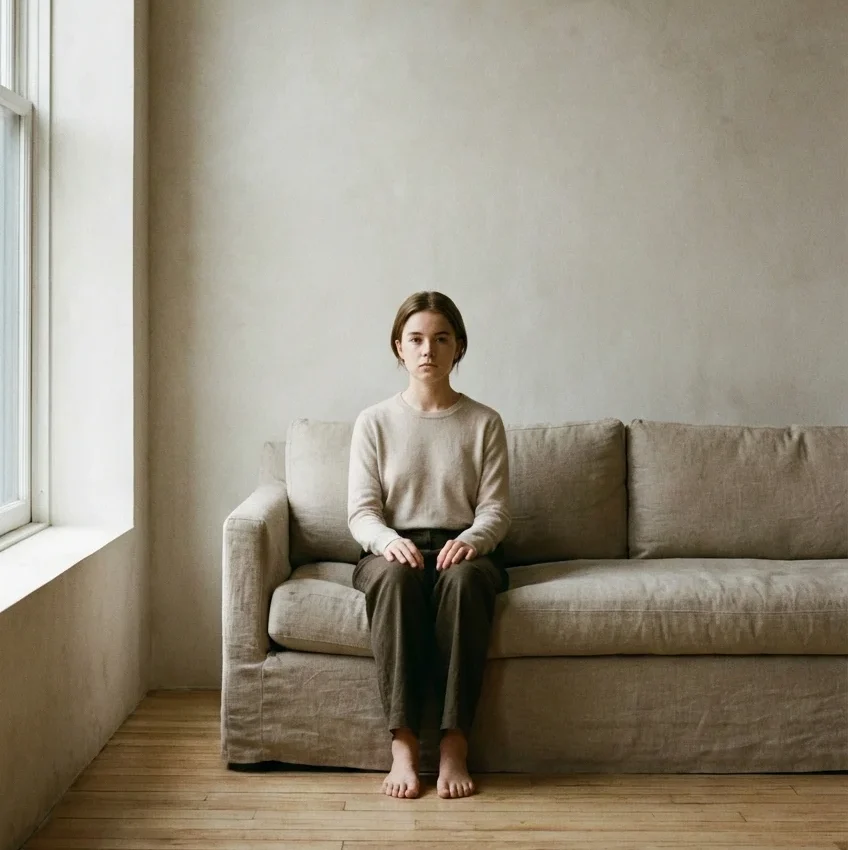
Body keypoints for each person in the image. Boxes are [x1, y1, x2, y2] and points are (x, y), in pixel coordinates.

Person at [347, 291, 511, 800]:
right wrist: (388, 542)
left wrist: (472, 541)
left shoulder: (484, 422)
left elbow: (496, 510)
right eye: (416, 339)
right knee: (395, 580)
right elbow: (361, 512)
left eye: (441, 339)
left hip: (466, 549)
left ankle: (454, 744)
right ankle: (402, 745)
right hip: (393, 550)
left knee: (463, 584)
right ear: (399, 347)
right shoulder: (374, 422)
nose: (428, 351)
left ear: (458, 347)